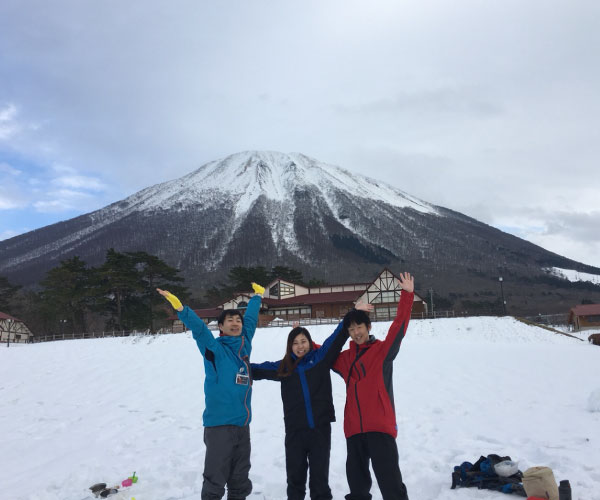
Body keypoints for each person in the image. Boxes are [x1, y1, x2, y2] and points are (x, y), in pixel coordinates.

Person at [251, 303, 373, 500]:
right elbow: (257, 370)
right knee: (295, 479)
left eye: (303, 341)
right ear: (290, 346)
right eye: (296, 343)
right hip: (295, 431)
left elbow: (337, 337)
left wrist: (352, 313)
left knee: (319, 480)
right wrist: (234, 365)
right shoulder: (284, 367)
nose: (300, 346)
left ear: (309, 342)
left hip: (320, 429)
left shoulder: (320, 359)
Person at [157, 282, 265, 500]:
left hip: (243, 425)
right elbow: (199, 330)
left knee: (240, 478)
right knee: (216, 478)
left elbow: (251, 320)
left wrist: (257, 298)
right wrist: (181, 309)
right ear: (221, 327)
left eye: (238, 320)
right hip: (219, 426)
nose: (236, 323)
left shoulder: (245, 346)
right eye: (230, 320)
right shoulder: (214, 350)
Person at [332, 272, 415, 500]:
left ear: (368, 326)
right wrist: (301, 340)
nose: (356, 332)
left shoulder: (382, 352)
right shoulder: (345, 359)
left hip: (379, 426)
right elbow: (324, 353)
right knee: (357, 489)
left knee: (391, 485)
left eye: (359, 327)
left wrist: (407, 296)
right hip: (354, 430)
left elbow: (399, 327)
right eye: (351, 329)